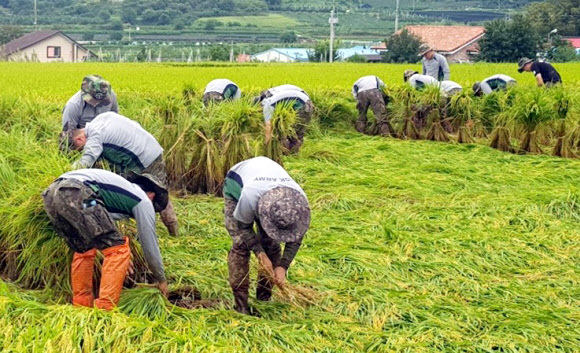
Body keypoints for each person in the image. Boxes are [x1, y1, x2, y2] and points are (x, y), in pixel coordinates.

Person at [42, 169, 168, 310]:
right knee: (118, 251)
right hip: (78, 193)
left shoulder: (120, 190)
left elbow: (101, 228)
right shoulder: (143, 200)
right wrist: (161, 279)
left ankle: (81, 306)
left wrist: (123, 261)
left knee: (84, 249)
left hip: (51, 195)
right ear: (152, 195)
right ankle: (104, 309)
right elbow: (149, 244)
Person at [65, 112, 179, 236]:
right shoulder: (101, 118)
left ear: (79, 139)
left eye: (79, 149)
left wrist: (65, 173)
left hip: (145, 158)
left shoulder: (94, 136)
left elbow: (88, 158)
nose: (82, 151)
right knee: (134, 195)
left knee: (154, 194)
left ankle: (169, 232)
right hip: (145, 149)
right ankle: (140, 230)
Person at [223, 156, 311, 314]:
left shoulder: (300, 203)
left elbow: (296, 239)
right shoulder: (249, 196)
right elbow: (244, 228)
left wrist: (282, 266)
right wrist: (259, 254)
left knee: (271, 244)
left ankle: (264, 296)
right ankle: (241, 304)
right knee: (241, 245)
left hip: (266, 184)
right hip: (236, 185)